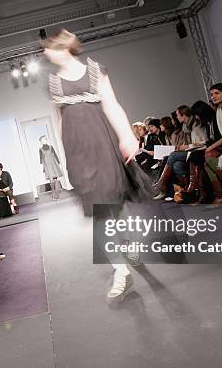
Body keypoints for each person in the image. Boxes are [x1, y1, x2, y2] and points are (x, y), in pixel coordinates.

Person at [43, 29, 153, 303]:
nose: (46, 53)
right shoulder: (53, 83)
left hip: (102, 143)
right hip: (77, 151)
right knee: (99, 209)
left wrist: (127, 136)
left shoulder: (95, 71)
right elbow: (59, 120)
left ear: (65, 47)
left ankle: (127, 244)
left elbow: (112, 106)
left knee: (114, 201)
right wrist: (67, 156)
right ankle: (120, 270)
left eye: (50, 48)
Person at [39, 135, 64, 200]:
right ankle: (53, 193)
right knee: (51, 181)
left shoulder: (51, 147)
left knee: (55, 180)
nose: (44, 141)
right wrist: (43, 168)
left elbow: (55, 155)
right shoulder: (40, 150)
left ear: (46, 140)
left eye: (45, 139)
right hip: (48, 166)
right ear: (41, 141)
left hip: (53, 165)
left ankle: (57, 194)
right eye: (42, 140)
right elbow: (41, 160)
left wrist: (58, 163)